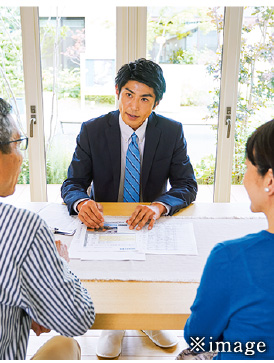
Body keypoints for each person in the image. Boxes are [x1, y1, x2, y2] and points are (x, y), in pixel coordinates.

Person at [61, 58, 197, 358]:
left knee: (151, 269)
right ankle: (116, 324)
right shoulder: (93, 130)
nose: (134, 106)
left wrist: (160, 206)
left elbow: (187, 185)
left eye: (144, 98)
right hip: (106, 221)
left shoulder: (171, 132)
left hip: (151, 220)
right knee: (113, 269)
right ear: (117, 92)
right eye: (128, 94)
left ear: (156, 102)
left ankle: (146, 317)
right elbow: (72, 184)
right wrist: (82, 202)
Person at [0, 98, 95, 360]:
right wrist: (58, 263)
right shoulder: (22, 228)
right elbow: (76, 319)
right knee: (67, 344)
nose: (21, 156)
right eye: (17, 143)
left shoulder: (171, 131)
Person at [177, 119, 274, 360]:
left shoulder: (232, 258)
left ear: (269, 181)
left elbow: (198, 338)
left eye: (247, 166)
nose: (243, 177)